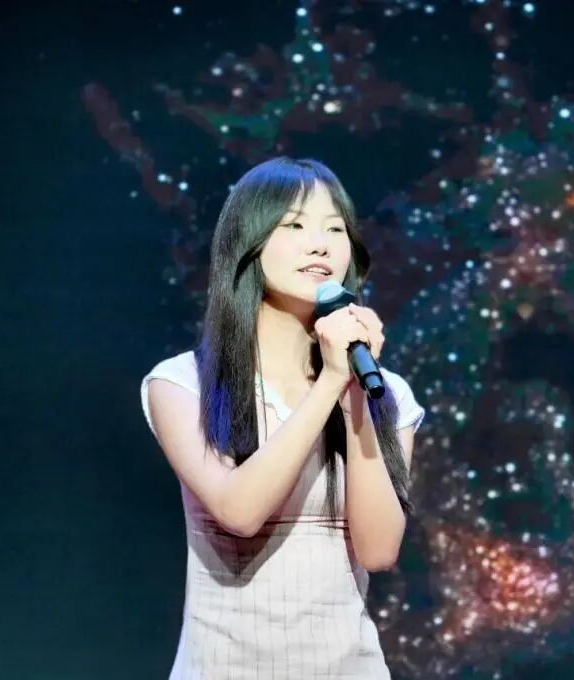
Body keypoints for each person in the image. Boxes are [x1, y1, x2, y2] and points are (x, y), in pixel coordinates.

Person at [140, 157, 426, 678]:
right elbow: (239, 511)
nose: (320, 245)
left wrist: (354, 397)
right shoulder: (183, 384)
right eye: (295, 225)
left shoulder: (384, 393)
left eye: (334, 229)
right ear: (247, 242)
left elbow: (379, 549)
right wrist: (329, 384)